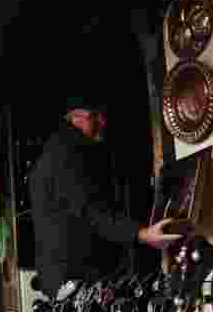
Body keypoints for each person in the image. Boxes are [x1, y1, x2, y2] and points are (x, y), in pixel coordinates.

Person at [28, 97, 183, 299]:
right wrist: (143, 234)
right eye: (95, 116)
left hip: (63, 277)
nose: (102, 122)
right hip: (76, 278)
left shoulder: (56, 150)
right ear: (75, 118)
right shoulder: (67, 154)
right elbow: (90, 211)